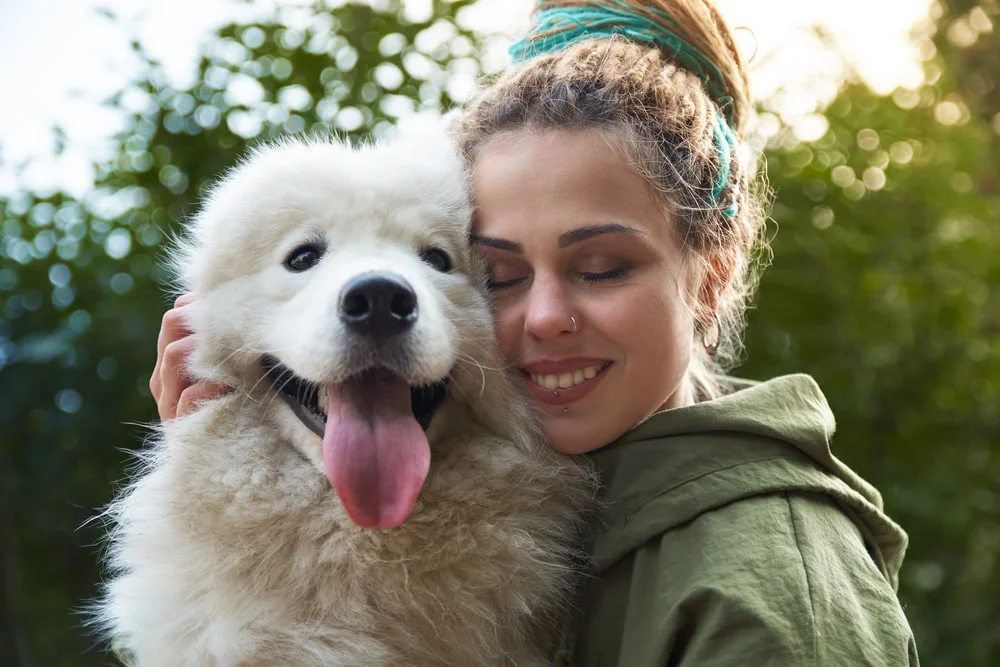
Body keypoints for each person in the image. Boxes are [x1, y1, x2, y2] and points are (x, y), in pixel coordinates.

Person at [149, 0, 920, 664]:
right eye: (505, 276)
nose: (545, 317)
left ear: (709, 279)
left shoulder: (771, 597)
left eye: (602, 266)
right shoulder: (547, 523)